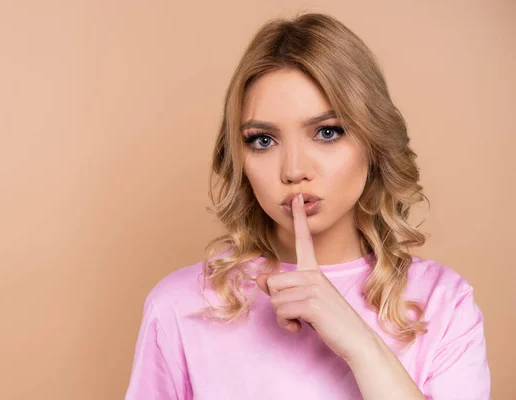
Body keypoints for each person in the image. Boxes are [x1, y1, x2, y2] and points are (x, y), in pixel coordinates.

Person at [124, 12, 491, 400]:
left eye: (328, 132)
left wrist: (359, 343)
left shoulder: (443, 304)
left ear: (373, 140)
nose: (294, 170)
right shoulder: (180, 306)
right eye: (263, 140)